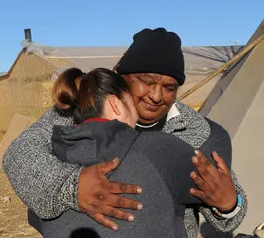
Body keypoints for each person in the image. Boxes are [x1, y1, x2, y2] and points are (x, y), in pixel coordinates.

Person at [3, 28, 247, 238]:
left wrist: (228, 205)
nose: (156, 95)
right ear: (122, 76)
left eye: (169, 87)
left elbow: (229, 212)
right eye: (146, 81)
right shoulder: (75, 113)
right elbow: (18, 155)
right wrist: (71, 187)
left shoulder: (198, 134)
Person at [28, 67, 233, 237]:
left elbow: (37, 217)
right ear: (116, 104)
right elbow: (213, 191)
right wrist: (231, 203)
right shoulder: (164, 149)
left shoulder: (50, 159)